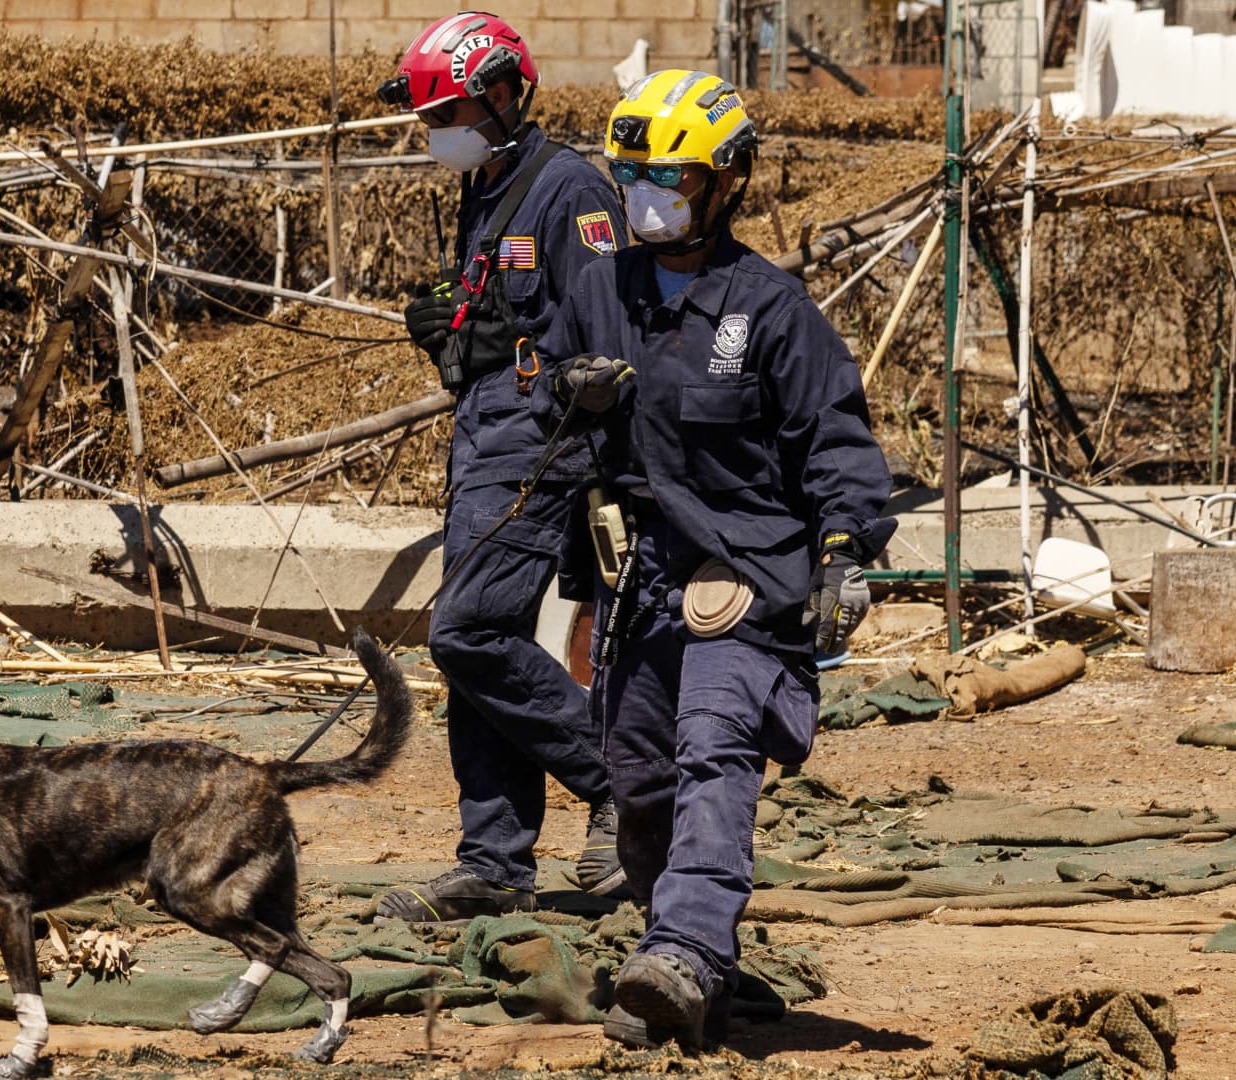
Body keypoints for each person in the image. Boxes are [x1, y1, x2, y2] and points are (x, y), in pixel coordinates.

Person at [552, 69, 896, 1048]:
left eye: (672, 177)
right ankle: (683, 949)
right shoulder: (597, 289)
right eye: (633, 175)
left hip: (744, 568)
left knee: (715, 750)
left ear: (726, 181)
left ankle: (688, 955)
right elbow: (549, 417)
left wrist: (844, 551)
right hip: (640, 574)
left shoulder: (772, 310)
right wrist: (570, 402)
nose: (648, 194)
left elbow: (836, 445)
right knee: (638, 773)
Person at [370, 11, 630, 923]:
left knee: (466, 632)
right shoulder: (485, 187)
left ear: (505, 94)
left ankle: (623, 786)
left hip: (542, 448)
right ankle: (494, 861)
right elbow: (509, 325)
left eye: (451, 114)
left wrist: (536, 364)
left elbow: (604, 350)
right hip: (483, 443)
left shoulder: (572, 193)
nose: (439, 134)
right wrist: (459, 340)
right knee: (482, 650)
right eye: (432, 119)